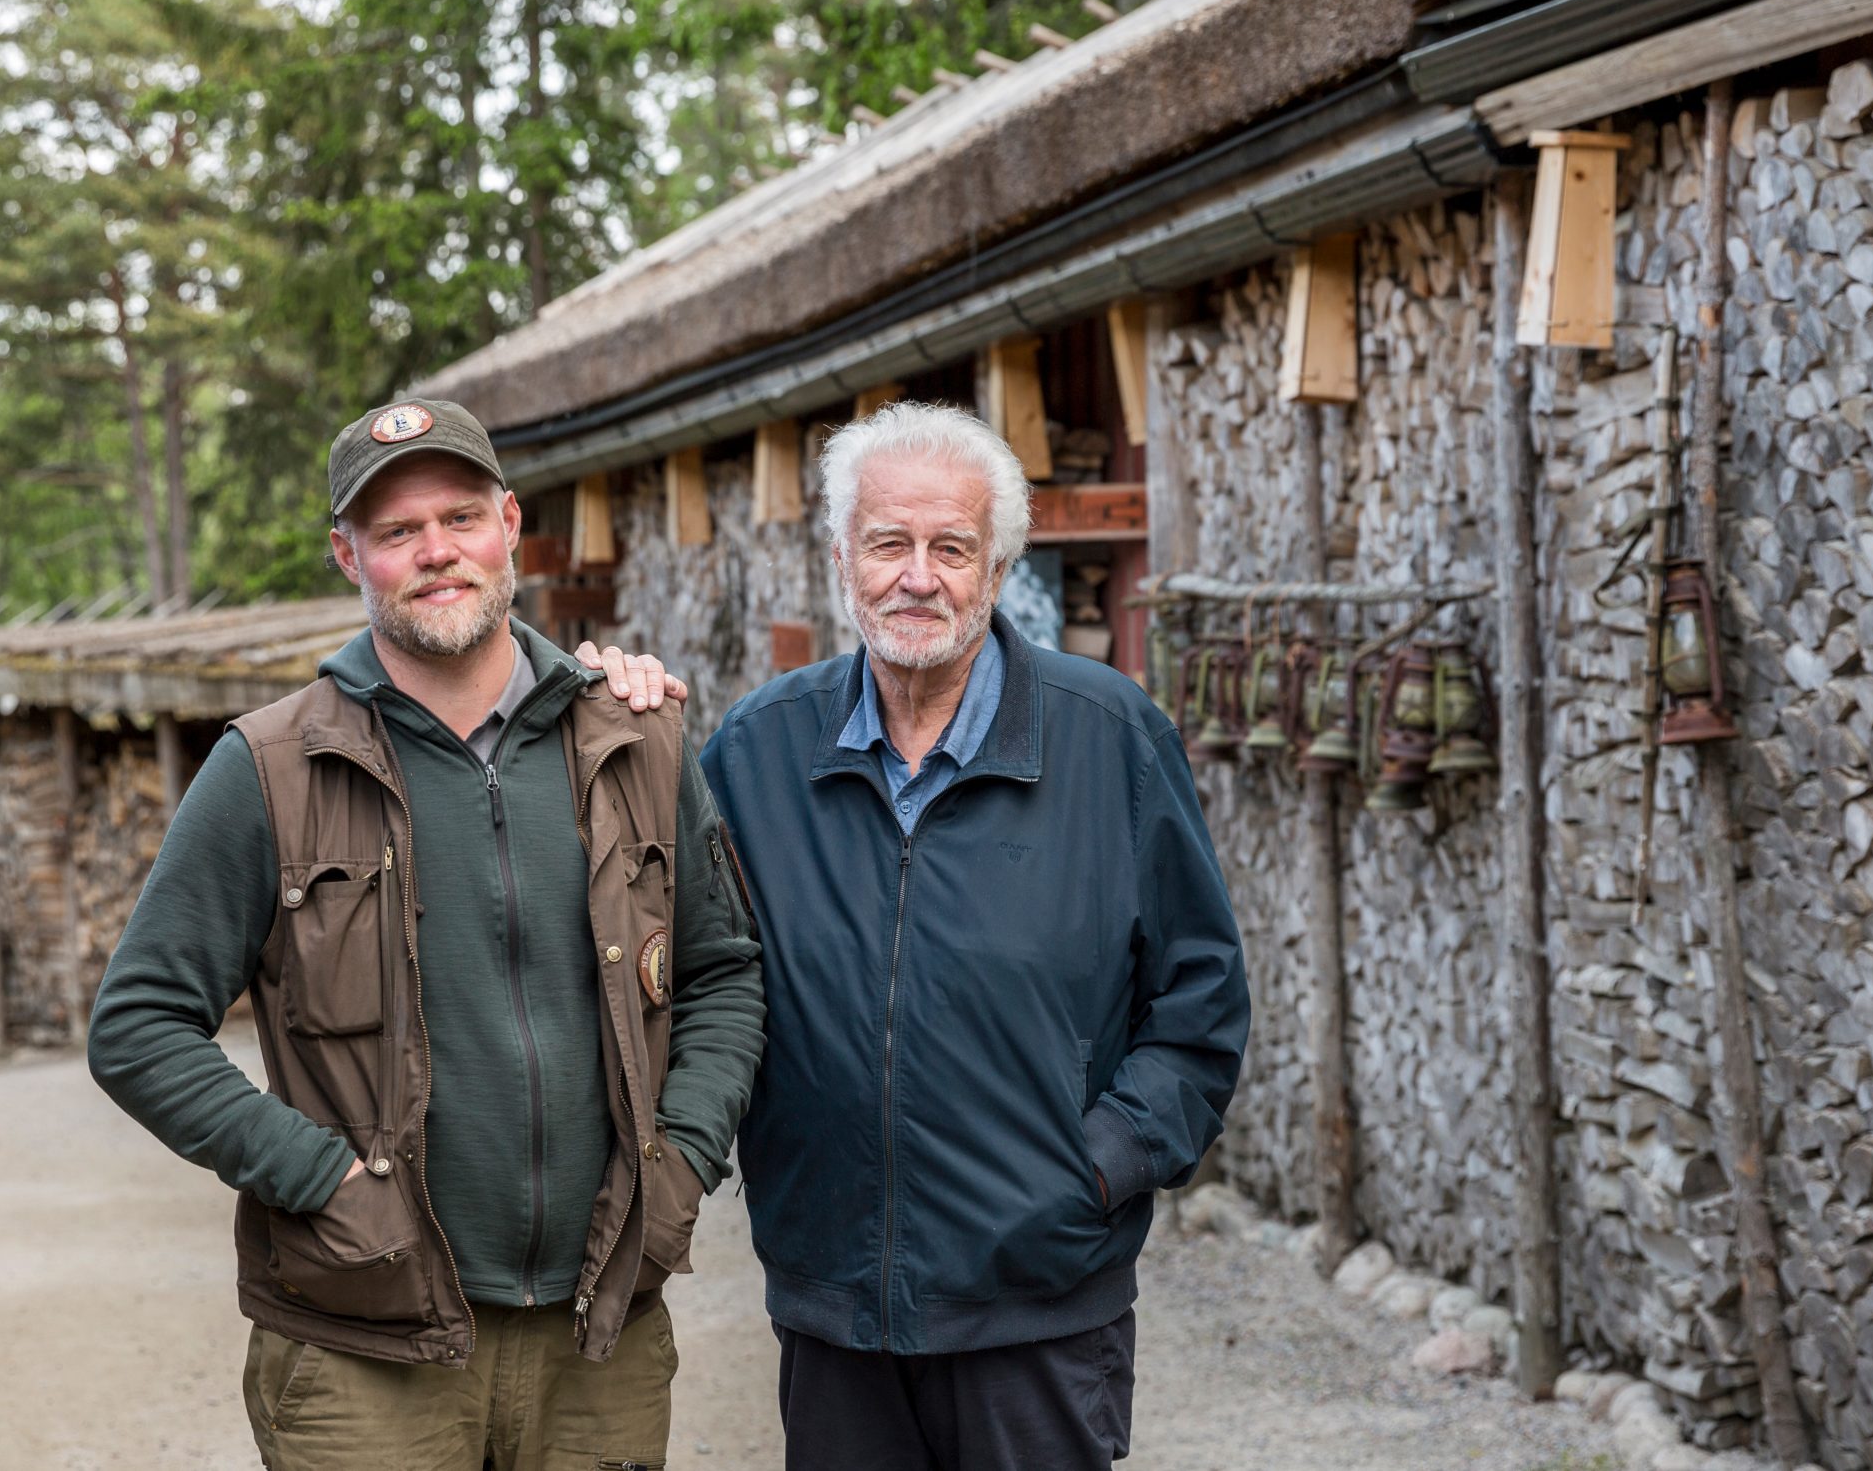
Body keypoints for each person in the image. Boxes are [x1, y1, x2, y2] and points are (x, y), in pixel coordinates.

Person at [87, 396, 763, 1471]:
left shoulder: (635, 741)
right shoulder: (269, 768)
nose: (436, 551)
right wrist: (317, 1179)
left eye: (459, 517)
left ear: (509, 524)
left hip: (601, 1344)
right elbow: (137, 1027)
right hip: (366, 1351)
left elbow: (722, 974)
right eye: (397, 531)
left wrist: (679, 1161)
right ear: (346, 554)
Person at [697, 399, 1249, 1471]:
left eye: (951, 548)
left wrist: (1096, 1167)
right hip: (834, 1304)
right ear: (841, 558)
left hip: (1039, 1305)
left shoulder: (1111, 739)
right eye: (888, 544)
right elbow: (699, 978)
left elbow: (1201, 1001)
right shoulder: (757, 752)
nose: (918, 577)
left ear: (996, 569)